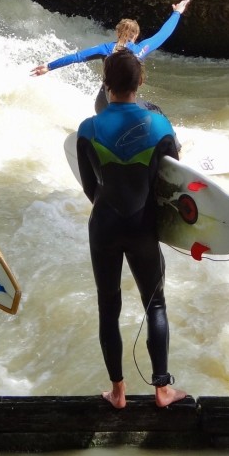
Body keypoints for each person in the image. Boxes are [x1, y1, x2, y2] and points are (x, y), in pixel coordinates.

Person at [76, 50, 189, 410]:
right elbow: (173, 181)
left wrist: (110, 206)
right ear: (140, 81)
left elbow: (89, 186)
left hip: (104, 226)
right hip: (143, 225)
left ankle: (118, 392)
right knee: (155, 304)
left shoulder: (88, 128)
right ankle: (162, 390)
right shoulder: (160, 126)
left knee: (108, 306)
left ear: (106, 83)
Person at [31, 0, 190, 112]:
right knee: (155, 111)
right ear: (136, 36)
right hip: (124, 107)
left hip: (102, 105)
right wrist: (177, 13)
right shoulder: (140, 50)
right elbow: (164, 33)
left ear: (117, 32)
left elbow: (77, 57)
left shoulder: (105, 49)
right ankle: (172, 146)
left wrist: (49, 66)